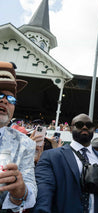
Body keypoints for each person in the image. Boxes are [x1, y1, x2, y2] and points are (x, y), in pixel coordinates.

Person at [33, 113, 98, 213]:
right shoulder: (51, 157)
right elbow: (44, 195)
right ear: (70, 128)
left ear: (93, 129)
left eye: (89, 125)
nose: (85, 127)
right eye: (79, 125)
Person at [0, 61, 37, 212]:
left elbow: (30, 190)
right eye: (0, 94)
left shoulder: (25, 143)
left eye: (11, 99)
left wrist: (20, 191)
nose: (4, 101)